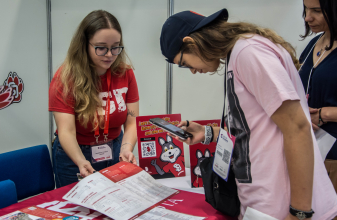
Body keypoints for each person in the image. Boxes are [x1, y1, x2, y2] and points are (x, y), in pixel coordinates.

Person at [160, 9, 337, 220]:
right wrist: (209, 133)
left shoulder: (249, 52)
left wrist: (299, 212)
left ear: (191, 43)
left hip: (280, 204)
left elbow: (297, 128)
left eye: (183, 62)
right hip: (263, 202)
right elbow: (259, 129)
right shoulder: (239, 54)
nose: (191, 70)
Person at [49, 10, 139, 188]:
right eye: (101, 47)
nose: (109, 54)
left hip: (114, 149)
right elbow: (66, 131)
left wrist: (126, 147)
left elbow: (132, 121)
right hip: (74, 154)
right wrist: (80, 161)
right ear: (84, 45)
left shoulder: (125, 73)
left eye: (115, 47)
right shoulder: (66, 79)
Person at [299, 0, 337, 194]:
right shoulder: (315, 42)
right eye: (305, 9)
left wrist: (326, 113)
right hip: (311, 154)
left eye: (317, 11)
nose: (307, 17)